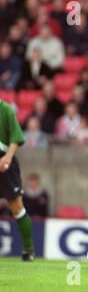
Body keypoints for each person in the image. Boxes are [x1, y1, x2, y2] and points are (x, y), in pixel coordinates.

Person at [0, 99, 35, 261]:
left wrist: (8, 156)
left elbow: (16, 136)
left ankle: (28, 249)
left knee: (16, 206)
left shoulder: (5, 109)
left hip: (5, 161)